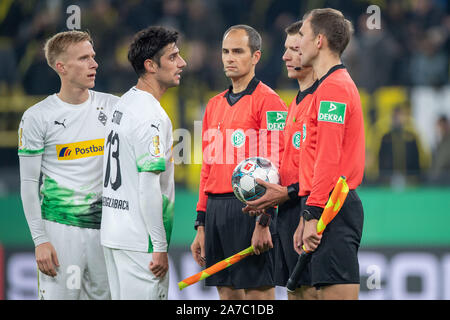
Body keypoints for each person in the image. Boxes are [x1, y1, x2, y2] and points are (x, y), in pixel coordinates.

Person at [18, 31, 119, 300]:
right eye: (84, 58)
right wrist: (40, 240)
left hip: (106, 231)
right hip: (60, 231)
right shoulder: (37, 117)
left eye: (93, 57)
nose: (94, 64)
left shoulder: (114, 107)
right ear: (61, 67)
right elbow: (28, 184)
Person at [190, 25, 287, 300]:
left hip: (251, 210)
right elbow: (207, 168)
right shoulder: (213, 105)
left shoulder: (270, 102)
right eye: (225, 51)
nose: (229, 58)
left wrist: (265, 221)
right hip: (217, 212)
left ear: (255, 56)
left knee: (258, 293)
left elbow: (275, 167)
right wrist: (201, 224)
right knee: (228, 294)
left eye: (237, 51)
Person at [100, 26, 186, 300]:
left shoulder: (123, 104)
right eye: (173, 57)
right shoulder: (152, 116)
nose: (182, 63)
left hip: (113, 235)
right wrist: (159, 246)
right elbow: (148, 186)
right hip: (141, 244)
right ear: (150, 65)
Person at [243, 20, 319, 299]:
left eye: (295, 49)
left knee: (311, 292)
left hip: (307, 211)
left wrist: (305, 211)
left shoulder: (321, 100)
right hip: (287, 214)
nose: (285, 56)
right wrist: (266, 218)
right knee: (294, 293)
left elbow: (324, 168)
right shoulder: (295, 103)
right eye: (285, 49)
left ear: (314, 49)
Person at [294, 8, 365, 300]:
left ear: (319, 41)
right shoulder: (326, 87)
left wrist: (312, 212)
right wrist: (305, 214)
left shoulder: (334, 90)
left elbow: (328, 158)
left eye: (302, 35)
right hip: (323, 205)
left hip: (333, 207)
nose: (297, 43)